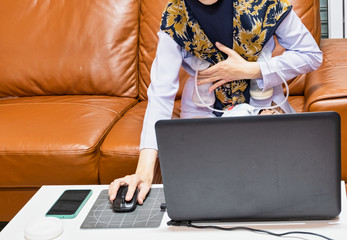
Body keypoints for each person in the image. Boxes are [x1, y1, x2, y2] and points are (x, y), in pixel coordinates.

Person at [109, 0, 323, 204]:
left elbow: (311, 55)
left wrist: (250, 70)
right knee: (205, 194)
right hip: (203, 116)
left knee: (276, 187)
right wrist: (143, 172)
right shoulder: (176, 15)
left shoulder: (264, 4)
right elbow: (160, 95)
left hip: (263, 109)